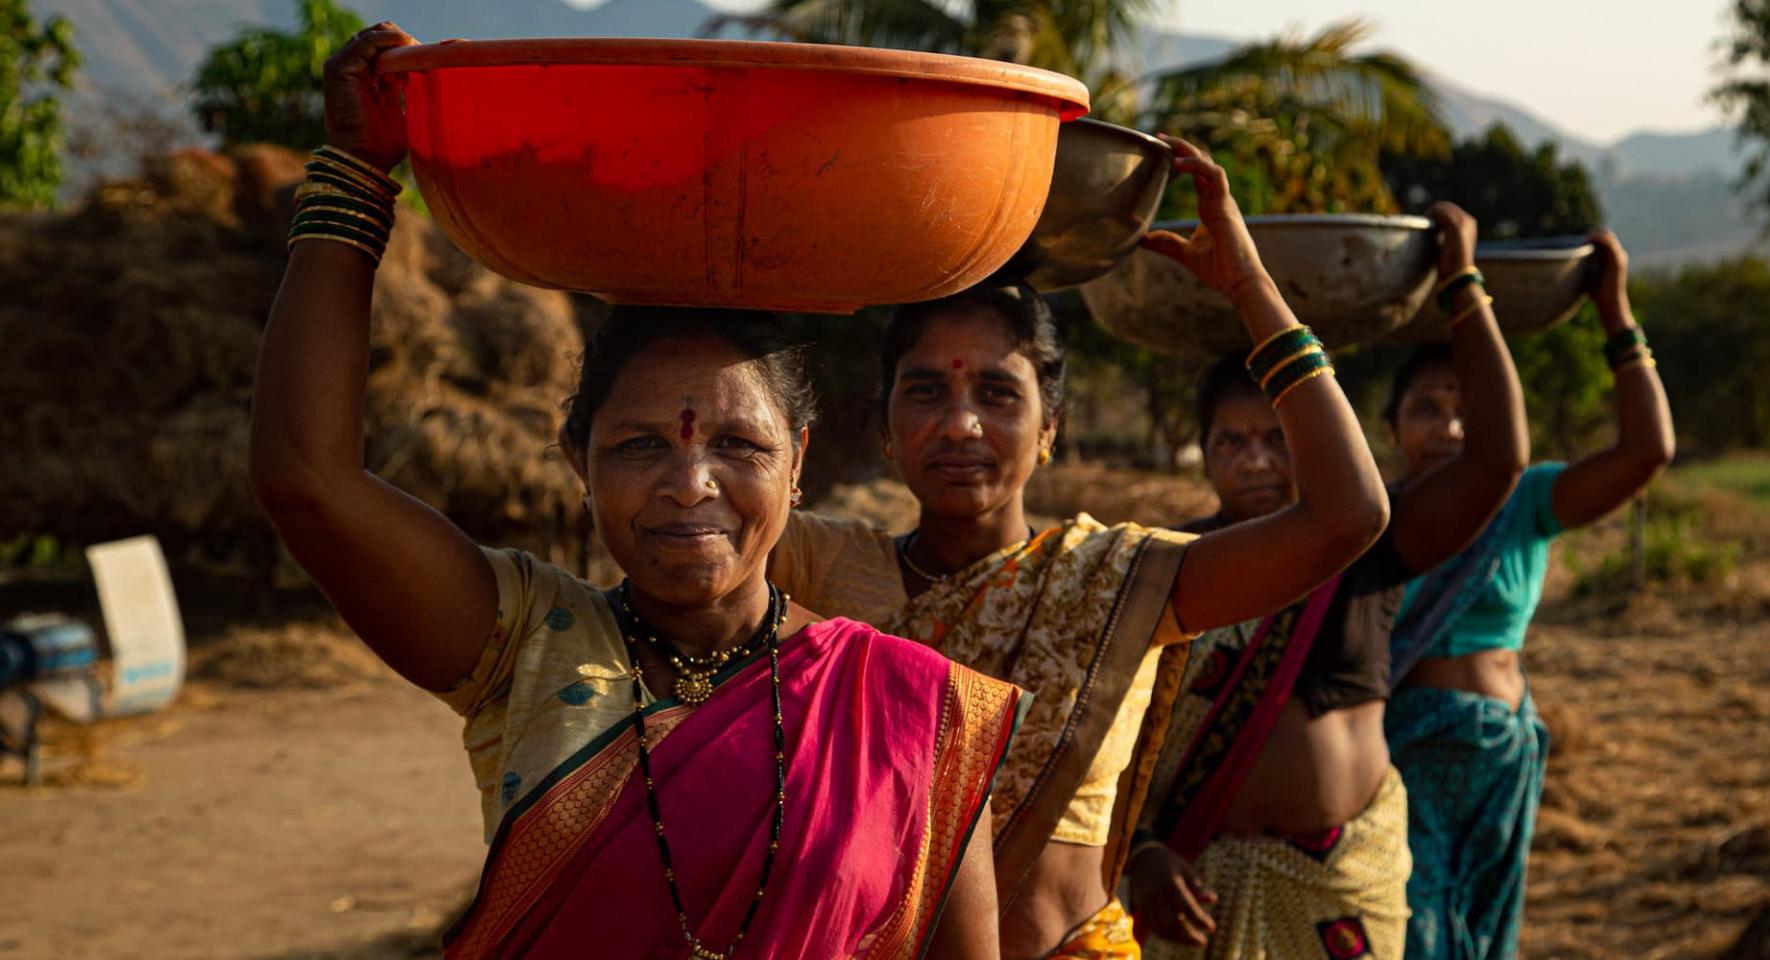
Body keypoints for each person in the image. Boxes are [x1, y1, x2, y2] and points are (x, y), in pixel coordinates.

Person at [249, 23, 1023, 959]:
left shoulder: (913, 710)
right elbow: (306, 479)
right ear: (579, 460)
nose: (689, 484)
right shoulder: (525, 645)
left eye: (739, 443)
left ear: (799, 460)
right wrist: (353, 173)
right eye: (639, 445)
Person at [769, 137, 1392, 959]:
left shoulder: (1122, 578)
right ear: (885, 429)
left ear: (1050, 429)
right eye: (926, 392)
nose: (962, 424)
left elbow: (1347, 515)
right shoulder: (818, 565)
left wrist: (1251, 288)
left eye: (997, 393)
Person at [1127, 205, 1531, 960]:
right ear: (1204, 451)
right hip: (1198, 892)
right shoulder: (1170, 564)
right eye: (1232, 441)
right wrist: (1142, 849)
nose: (1256, 460)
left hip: (1343, 888)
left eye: (1279, 439)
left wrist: (1462, 283)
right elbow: (1112, 738)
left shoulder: (1366, 539)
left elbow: (1497, 461)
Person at [1386, 231, 1675, 960]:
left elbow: (1647, 451)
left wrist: (1614, 309)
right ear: (1392, 430)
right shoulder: (1373, 518)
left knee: (1485, 934)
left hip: (1502, 757)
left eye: (1466, 406)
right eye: (1425, 408)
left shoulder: (1525, 500)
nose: (1450, 426)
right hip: (1403, 757)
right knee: (1414, 930)